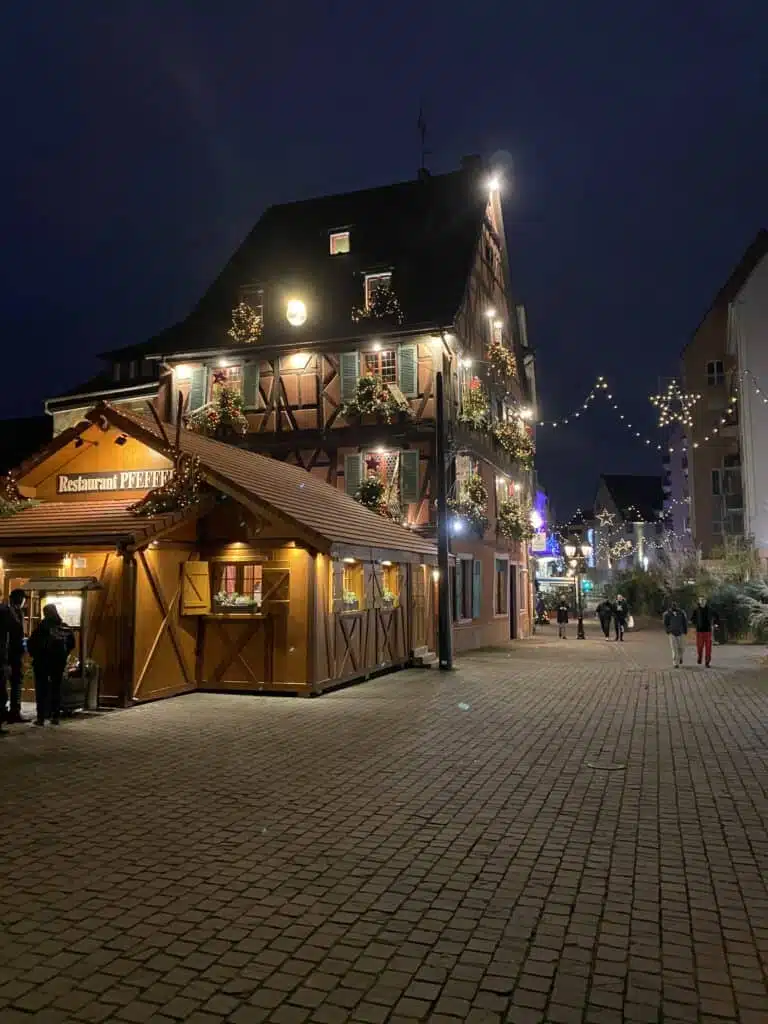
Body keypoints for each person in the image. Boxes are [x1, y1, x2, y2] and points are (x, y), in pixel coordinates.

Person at [27, 604, 75, 726]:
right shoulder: (63, 627)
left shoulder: (41, 627)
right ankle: (55, 716)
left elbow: (31, 643)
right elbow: (71, 643)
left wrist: (35, 654)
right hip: (58, 663)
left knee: (41, 690)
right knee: (56, 688)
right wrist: (63, 656)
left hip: (42, 662)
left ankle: (41, 717)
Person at [0, 588, 28, 725]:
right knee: (14, 682)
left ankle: (10, 711)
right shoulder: (8, 612)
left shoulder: (11, 611)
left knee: (11, 682)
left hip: (11, 652)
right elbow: (13, 633)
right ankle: (12, 711)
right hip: (10, 653)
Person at [663, 601, 688, 667]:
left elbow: (684, 622)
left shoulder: (681, 612)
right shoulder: (667, 614)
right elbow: (665, 623)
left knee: (681, 648)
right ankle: (675, 663)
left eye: (675, 605)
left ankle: (680, 657)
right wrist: (668, 631)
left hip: (681, 632)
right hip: (672, 633)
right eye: (673, 605)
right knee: (674, 648)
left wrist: (685, 631)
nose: (674, 606)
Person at [691, 596, 713, 667]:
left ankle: (707, 662)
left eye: (704, 600)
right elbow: (692, 619)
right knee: (699, 646)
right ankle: (700, 656)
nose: (703, 601)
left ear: (706, 601)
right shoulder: (696, 610)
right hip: (699, 631)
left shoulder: (710, 609)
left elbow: (716, 616)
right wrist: (696, 623)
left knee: (708, 647)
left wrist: (716, 624)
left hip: (708, 631)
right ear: (699, 601)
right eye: (701, 600)